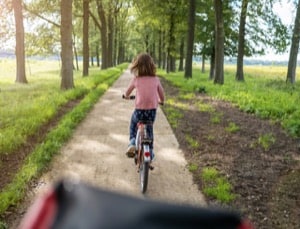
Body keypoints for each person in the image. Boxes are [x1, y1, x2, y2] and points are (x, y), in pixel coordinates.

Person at [123, 53, 165, 160]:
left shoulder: (136, 79)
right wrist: (162, 101)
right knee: (149, 129)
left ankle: (132, 143)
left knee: (133, 124)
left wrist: (126, 96)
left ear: (137, 66)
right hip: (151, 112)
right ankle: (150, 152)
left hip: (139, 111)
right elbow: (161, 93)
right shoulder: (155, 79)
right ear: (152, 65)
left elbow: (127, 92)